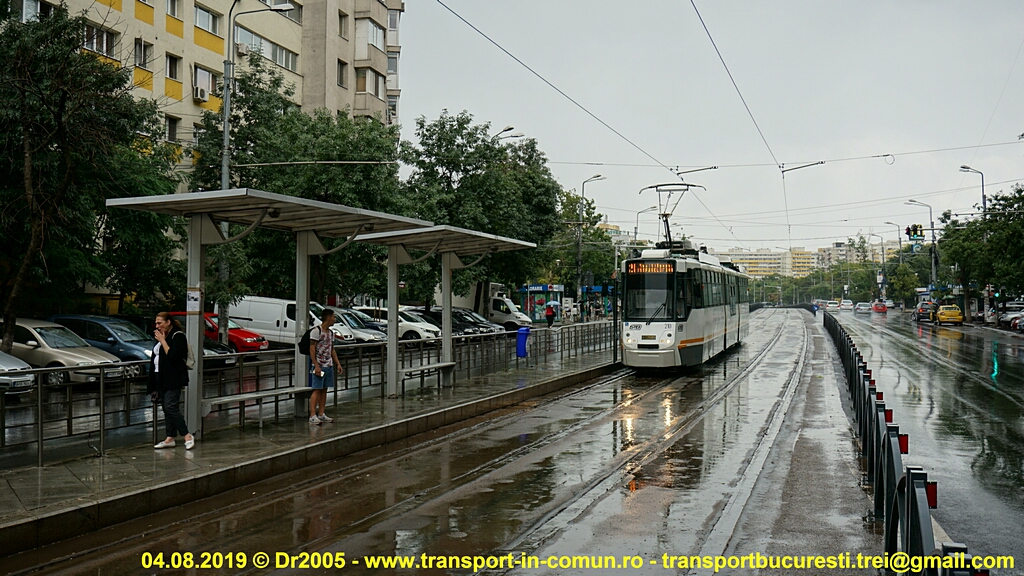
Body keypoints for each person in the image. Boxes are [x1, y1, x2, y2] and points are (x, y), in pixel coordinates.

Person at [149, 312, 195, 450]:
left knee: (170, 406)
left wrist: (163, 341)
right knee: (166, 407)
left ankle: (186, 435)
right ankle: (170, 437)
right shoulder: (162, 336)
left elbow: (174, 356)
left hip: (173, 377)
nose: (157, 326)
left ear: (168, 322)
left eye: (160, 323)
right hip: (160, 376)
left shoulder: (177, 336)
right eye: (156, 323)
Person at [308, 309, 341, 425]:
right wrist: (316, 365)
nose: (335, 319)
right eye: (333, 317)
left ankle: (321, 413)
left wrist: (337, 363)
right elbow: (312, 349)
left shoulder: (330, 333)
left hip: (328, 364)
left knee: (324, 389)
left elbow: (332, 349)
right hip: (319, 365)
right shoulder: (316, 331)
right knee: (317, 389)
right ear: (328, 318)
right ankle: (312, 415)